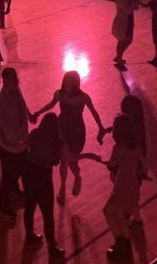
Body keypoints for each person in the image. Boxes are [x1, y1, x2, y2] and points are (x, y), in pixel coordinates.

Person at [32, 71, 108, 205]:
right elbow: (51, 105)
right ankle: (63, 187)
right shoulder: (59, 94)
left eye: (70, 82)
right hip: (62, 130)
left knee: (71, 161)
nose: (67, 84)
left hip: (77, 132)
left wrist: (101, 128)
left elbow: (94, 112)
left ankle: (77, 176)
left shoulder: (83, 97)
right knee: (65, 159)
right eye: (66, 82)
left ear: (76, 84)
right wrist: (38, 113)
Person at [103, 114, 146, 259]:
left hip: (122, 184)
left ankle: (121, 244)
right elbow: (144, 167)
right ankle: (125, 248)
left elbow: (112, 164)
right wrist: (139, 172)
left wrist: (104, 162)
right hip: (133, 184)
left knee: (109, 212)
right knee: (122, 216)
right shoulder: (137, 147)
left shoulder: (118, 148)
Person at [0, 67, 31, 218]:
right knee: (9, 174)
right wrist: (3, 139)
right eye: (11, 79)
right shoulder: (0, 99)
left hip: (20, 138)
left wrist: (29, 114)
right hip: (8, 143)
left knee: (20, 167)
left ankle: (14, 188)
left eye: (15, 77)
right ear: (5, 81)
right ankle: (1, 203)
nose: (15, 80)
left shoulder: (16, 90)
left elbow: (22, 103)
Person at [24, 113, 65, 258]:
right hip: (44, 180)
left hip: (29, 176)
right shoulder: (56, 143)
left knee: (29, 206)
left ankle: (29, 234)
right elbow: (56, 161)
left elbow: (24, 146)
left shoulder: (35, 133)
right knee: (48, 214)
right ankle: (52, 246)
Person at [120, 95, 147, 227]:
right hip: (137, 165)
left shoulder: (131, 131)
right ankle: (131, 215)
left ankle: (134, 218)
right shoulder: (139, 125)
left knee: (130, 191)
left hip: (131, 166)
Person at [112, 0, 139, 70]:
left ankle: (118, 56)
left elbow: (136, 8)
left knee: (123, 41)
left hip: (128, 23)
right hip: (122, 24)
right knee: (124, 41)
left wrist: (135, 0)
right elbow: (129, 10)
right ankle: (119, 59)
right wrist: (133, 0)